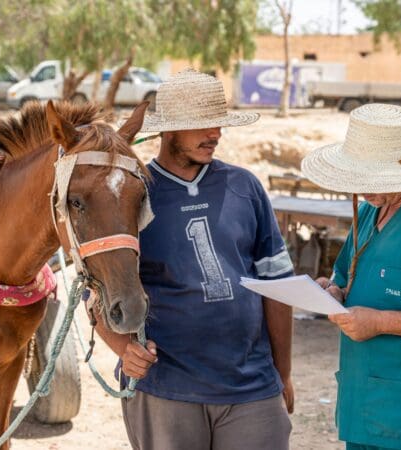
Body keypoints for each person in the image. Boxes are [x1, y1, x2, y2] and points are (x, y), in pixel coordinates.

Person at [93, 69, 295, 450]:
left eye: (217, 122)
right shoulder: (131, 193)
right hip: (166, 388)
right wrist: (122, 350)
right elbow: (97, 291)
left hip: (253, 388)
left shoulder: (245, 186)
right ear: (169, 130)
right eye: (201, 124)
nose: (215, 133)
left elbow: (277, 287)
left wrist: (282, 374)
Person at [301, 103, 401, 450]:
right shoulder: (370, 210)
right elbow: (345, 275)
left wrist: (381, 321)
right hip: (364, 404)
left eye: (371, 178)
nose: (362, 188)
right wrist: (333, 292)